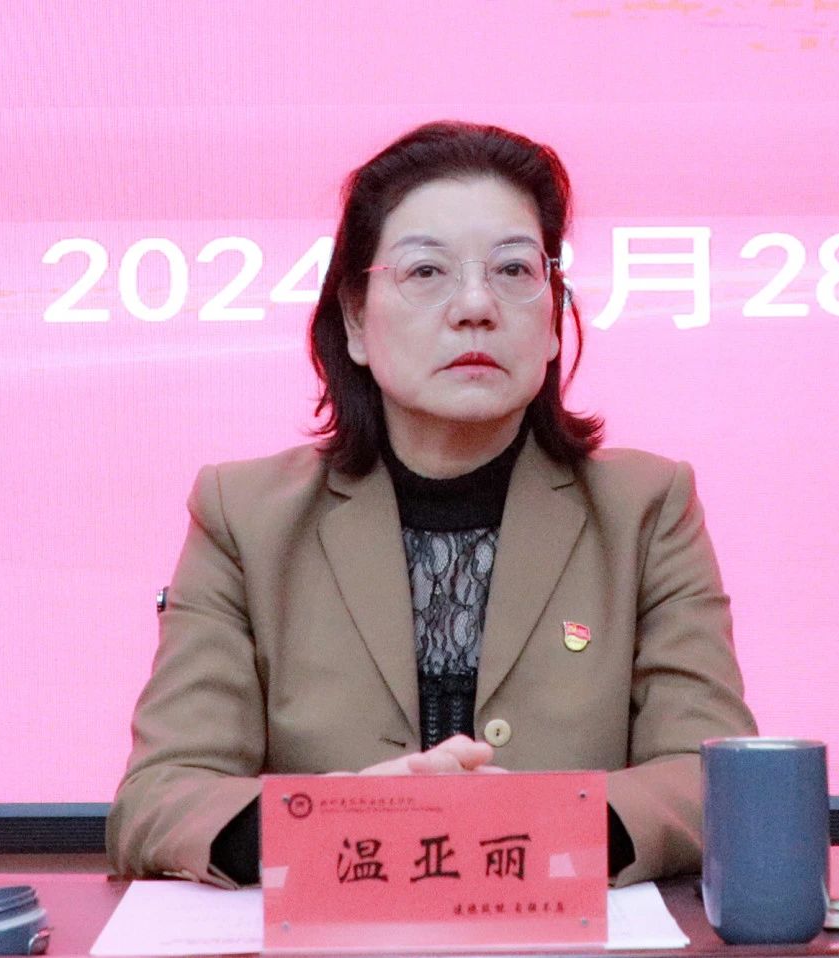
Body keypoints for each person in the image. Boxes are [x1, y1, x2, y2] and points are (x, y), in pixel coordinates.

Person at [106, 121, 757, 888]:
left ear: (554, 317)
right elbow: (160, 798)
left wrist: (541, 826)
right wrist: (342, 822)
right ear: (355, 319)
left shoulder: (645, 509)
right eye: (427, 271)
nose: (476, 305)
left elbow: (712, 778)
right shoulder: (245, 516)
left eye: (513, 270)